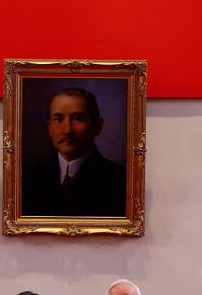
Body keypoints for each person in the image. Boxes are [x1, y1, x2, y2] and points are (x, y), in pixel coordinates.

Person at [21, 87, 127, 217]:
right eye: (58, 119)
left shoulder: (120, 181)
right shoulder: (28, 180)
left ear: (97, 126)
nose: (67, 130)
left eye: (77, 118)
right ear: (49, 128)